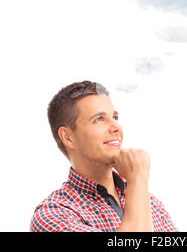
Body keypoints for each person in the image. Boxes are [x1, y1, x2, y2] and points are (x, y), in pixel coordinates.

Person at [30, 80, 178, 232]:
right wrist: (137, 178)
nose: (116, 127)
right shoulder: (53, 215)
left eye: (115, 117)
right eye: (99, 119)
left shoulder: (151, 203)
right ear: (68, 137)